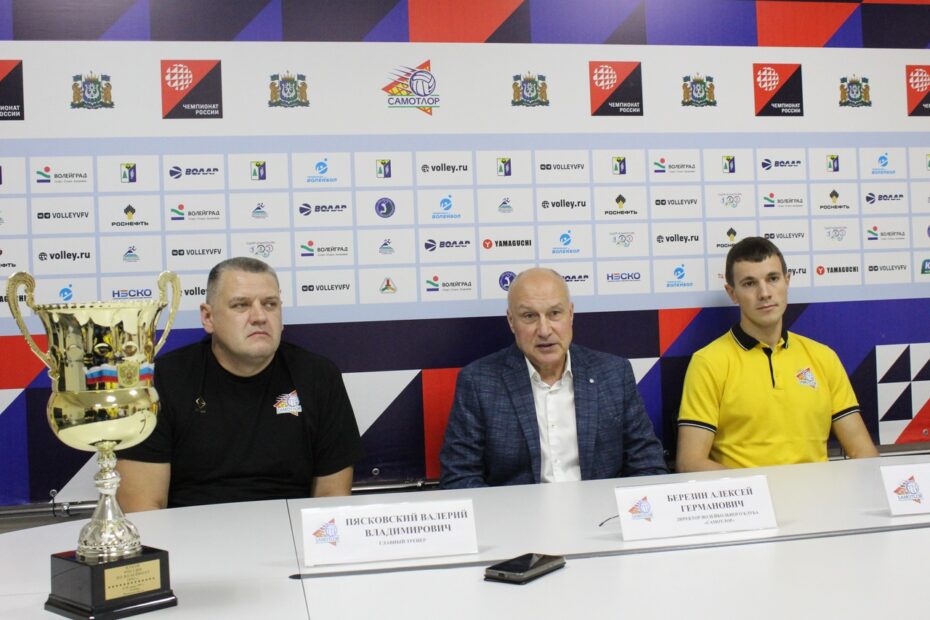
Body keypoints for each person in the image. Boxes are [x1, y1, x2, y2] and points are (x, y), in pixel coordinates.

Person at [116, 257, 363, 510]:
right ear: (208, 317)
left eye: (270, 304)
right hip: (191, 531)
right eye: (241, 305)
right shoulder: (162, 380)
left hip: (290, 530)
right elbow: (141, 506)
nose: (259, 317)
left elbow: (332, 498)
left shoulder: (318, 377)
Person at [440, 268, 667, 488]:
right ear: (511, 321)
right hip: (517, 513)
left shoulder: (614, 373)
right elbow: (459, 477)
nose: (544, 330)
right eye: (529, 316)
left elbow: (648, 464)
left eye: (554, 313)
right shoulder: (479, 382)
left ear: (571, 314)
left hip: (600, 510)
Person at [676, 237, 878, 472]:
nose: (764, 293)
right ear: (732, 293)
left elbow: (863, 453)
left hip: (819, 494)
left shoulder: (823, 357)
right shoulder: (708, 362)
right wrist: (760, 489)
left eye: (773, 279)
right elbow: (690, 463)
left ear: (787, 281)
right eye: (749, 283)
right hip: (751, 495)